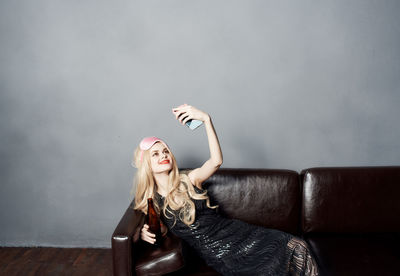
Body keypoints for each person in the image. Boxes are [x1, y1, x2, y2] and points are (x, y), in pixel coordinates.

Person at [132, 104, 319, 276]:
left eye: (165, 151)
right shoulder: (152, 200)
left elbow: (216, 161)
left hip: (238, 232)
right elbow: (157, 230)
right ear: (146, 165)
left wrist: (206, 120)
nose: (163, 155)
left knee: (298, 246)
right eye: (155, 154)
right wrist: (141, 233)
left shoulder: (189, 178)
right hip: (220, 253)